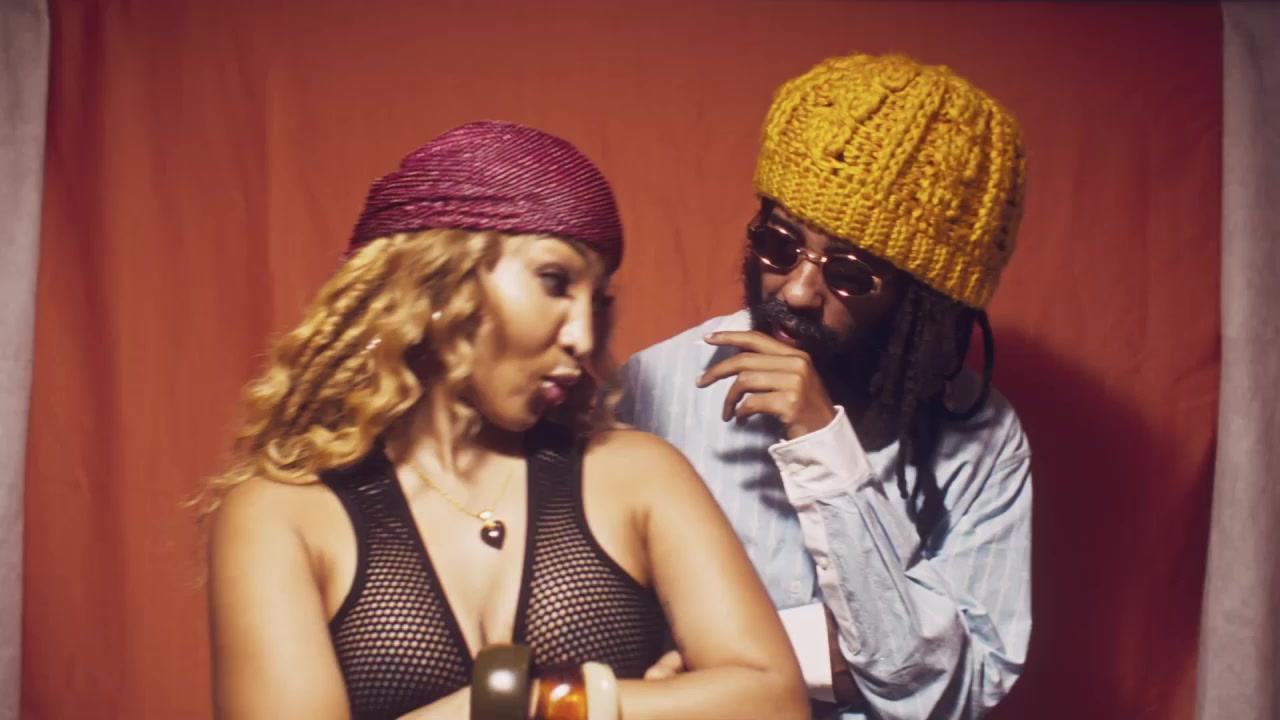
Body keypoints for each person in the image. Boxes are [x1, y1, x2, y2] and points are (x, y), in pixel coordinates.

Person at [203, 121, 809, 720]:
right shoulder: (282, 514)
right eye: (554, 282)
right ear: (436, 282)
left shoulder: (637, 476)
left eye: (596, 303)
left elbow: (775, 703)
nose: (583, 337)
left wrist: (541, 704)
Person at [620, 52, 1032, 719]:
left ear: (922, 303)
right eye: (780, 244)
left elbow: (958, 691)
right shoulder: (653, 387)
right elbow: (597, 634)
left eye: (849, 273)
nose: (798, 291)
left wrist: (824, 448)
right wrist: (833, 656)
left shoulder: (984, 439)